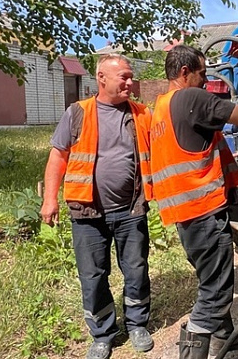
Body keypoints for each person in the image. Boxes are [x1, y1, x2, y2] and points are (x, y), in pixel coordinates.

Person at [149, 44, 238, 359]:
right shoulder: (192, 98)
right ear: (185, 72)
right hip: (203, 213)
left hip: (184, 215)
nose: (205, 80)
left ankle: (225, 336)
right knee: (214, 294)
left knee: (210, 278)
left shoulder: (161, 107)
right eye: (202, 73)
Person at [40, 54, 154, 359]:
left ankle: (137, 325)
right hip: (88, 213)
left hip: (131, 210)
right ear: (101, 78)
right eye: (124, 77)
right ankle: (103, 334)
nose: (131, 83)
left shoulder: (142, 114)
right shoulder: (77, 113)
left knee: (136, 269)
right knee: (92, 276)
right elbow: (58, 158)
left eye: (131, 77)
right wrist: (50, 199)